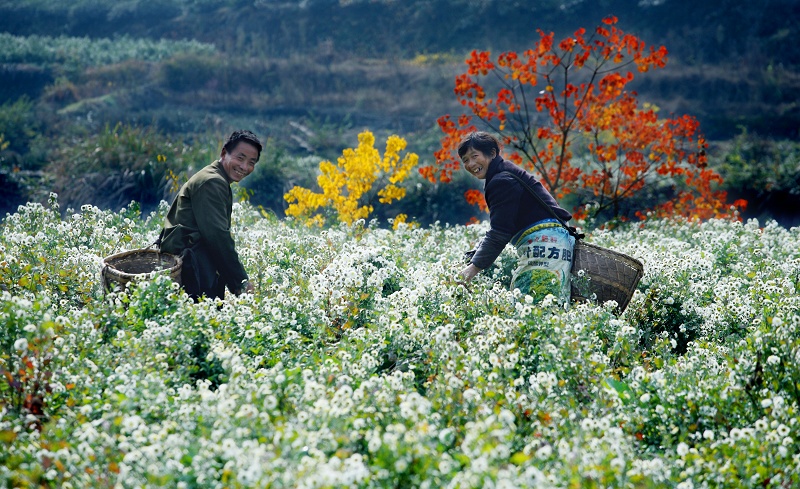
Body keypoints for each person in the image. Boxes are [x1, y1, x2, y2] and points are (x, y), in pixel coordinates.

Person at [458, 131, 576, 304]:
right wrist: (474, 256)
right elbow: (503, 225)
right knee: (549, 304)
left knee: (528, 305)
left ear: (492, 153)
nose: (471, 163)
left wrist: (473, 268)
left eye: (475, 156)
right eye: (466, 160)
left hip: (544, 243)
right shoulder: (504, 172)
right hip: (555, 242)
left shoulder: (501, 180)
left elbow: (500, 232)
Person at [159, 130, 262, 300]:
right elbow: (218, 237)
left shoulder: (216, 178)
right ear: (224, 153)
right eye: (240, 158)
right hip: (194, 269)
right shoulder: (212, 182)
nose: (244, 167)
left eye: (251, 162)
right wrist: (241, 284)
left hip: (195, 266)